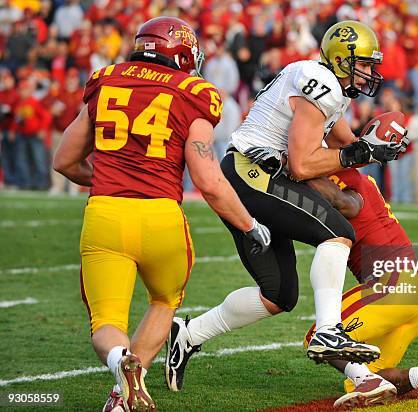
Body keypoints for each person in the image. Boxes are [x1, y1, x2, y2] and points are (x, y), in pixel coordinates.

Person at [165, 20, 406, 392]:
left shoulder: (329, 88)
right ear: (343, 60)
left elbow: (349, 151)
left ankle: (189, 333)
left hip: (252, 175)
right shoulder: (320, 83)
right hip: (253, 172)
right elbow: (304, 164)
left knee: (278, 294)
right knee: (338, 233)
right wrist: (360, 151)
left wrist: (375, 146)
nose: (370, 73)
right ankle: (329, 331)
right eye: (364, 64)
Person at [53, 17, 271, 412]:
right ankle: (122, 398)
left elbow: (65, 161)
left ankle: (121, 364)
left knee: (106, 323)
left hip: (106, 214)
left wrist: (107, 178)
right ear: (183, 53)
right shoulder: (194, 91)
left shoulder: (107, 79)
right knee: (164, 301)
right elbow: (207, 178)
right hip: (161, 217)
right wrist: (249, 223)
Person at [303, 169, 418, 408]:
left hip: (394, 286)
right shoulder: (359, 177)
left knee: (318, 336)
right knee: (360, 380)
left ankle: (371, 382)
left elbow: (345, 202)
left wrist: (296, 170)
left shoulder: (347, 180)